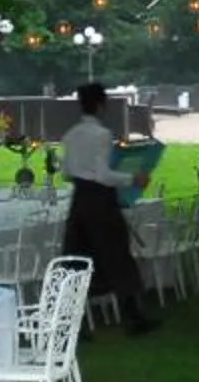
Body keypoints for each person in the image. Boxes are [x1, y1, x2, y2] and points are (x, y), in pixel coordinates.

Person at [59, 82, 157, 335]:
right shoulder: (101, 135)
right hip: (100, 202)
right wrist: (131, 179)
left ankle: (73, 325)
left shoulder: (70, 135)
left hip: (80, 200)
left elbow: (66, 173)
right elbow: (103, 174)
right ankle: (133, 318)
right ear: (101, 105)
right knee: (117, 256)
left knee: (77, 259)